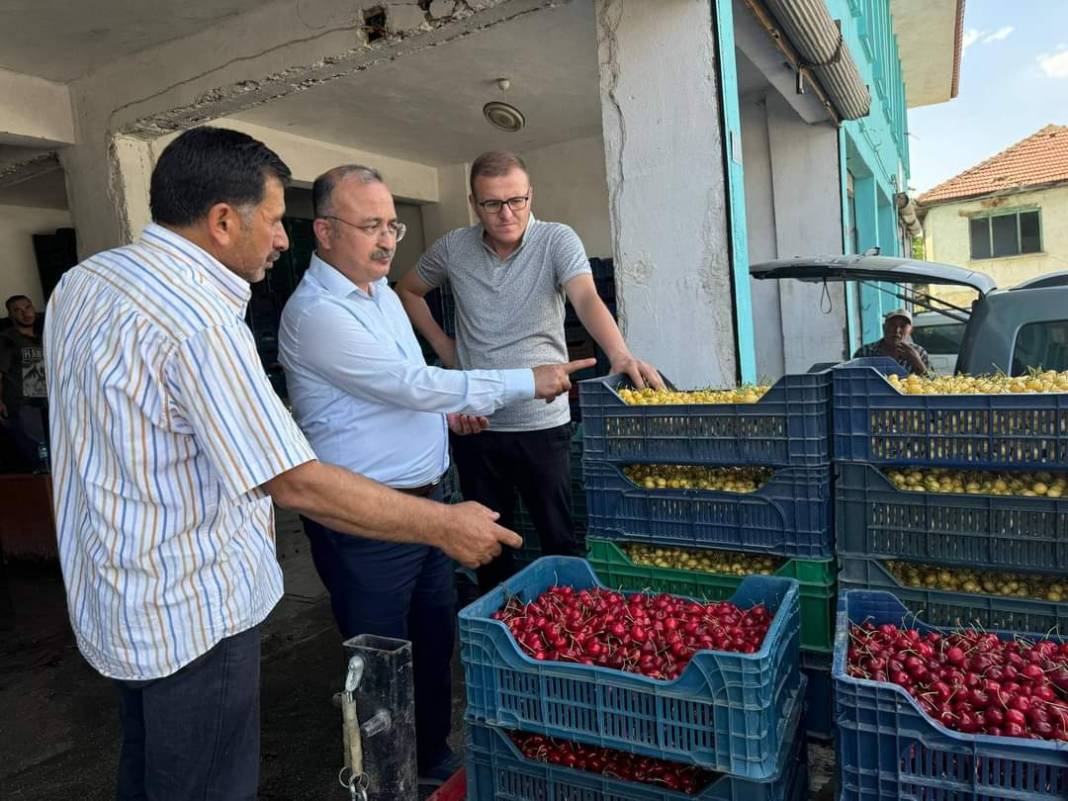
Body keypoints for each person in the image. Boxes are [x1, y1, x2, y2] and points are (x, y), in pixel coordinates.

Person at [43, 127, 523, 801]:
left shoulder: (83, 282)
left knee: (153, 770)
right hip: (193, 615)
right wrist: (443, 525)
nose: (278, 238)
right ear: (221, 220)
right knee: (208, 782)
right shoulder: (201, 323)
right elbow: (292, 477)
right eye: (272, 220)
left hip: (121, 597)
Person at [277, 164, 592, 784]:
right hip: (366, 520)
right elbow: (410, 382)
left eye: (391, 224)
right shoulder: (317, 313)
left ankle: (429, 758)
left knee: (430, 640)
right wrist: (522, 380)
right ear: (324, 231)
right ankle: (378, 777)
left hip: (426, 507)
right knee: (377, 660)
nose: (388, 239)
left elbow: (409, 385)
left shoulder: (380, 297)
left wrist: (451, 412)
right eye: (369, 225)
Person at [397, 150, 662, 591]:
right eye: (492, 204)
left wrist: (620, 354)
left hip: (542, 424)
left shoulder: (557, 240)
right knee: (488, 546)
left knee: (558, 537)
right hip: (477, 425)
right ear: (473, 203)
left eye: (517, 201)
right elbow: (408, 289)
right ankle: (501, 628)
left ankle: (567, 631)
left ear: (530, 195)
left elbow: (585, 298)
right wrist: (447, 349)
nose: (507, 214)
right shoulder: (453, 248)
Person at [0, 295, 48, 470]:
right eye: (17, 310)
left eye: (27, 307)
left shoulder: (44, 336)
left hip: (46, 404)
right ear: (11, 315)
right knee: (40, 456)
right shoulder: (7, 339)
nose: (25, 313)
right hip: (23, 406)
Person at [853, 308, 933, 375]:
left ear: (911, 330)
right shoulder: (866, 352)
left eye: (903, 326)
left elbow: (932, 384)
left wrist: (916, 361)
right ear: (884, 327)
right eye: (892, 325)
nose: (897, 330)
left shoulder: (919, 352)